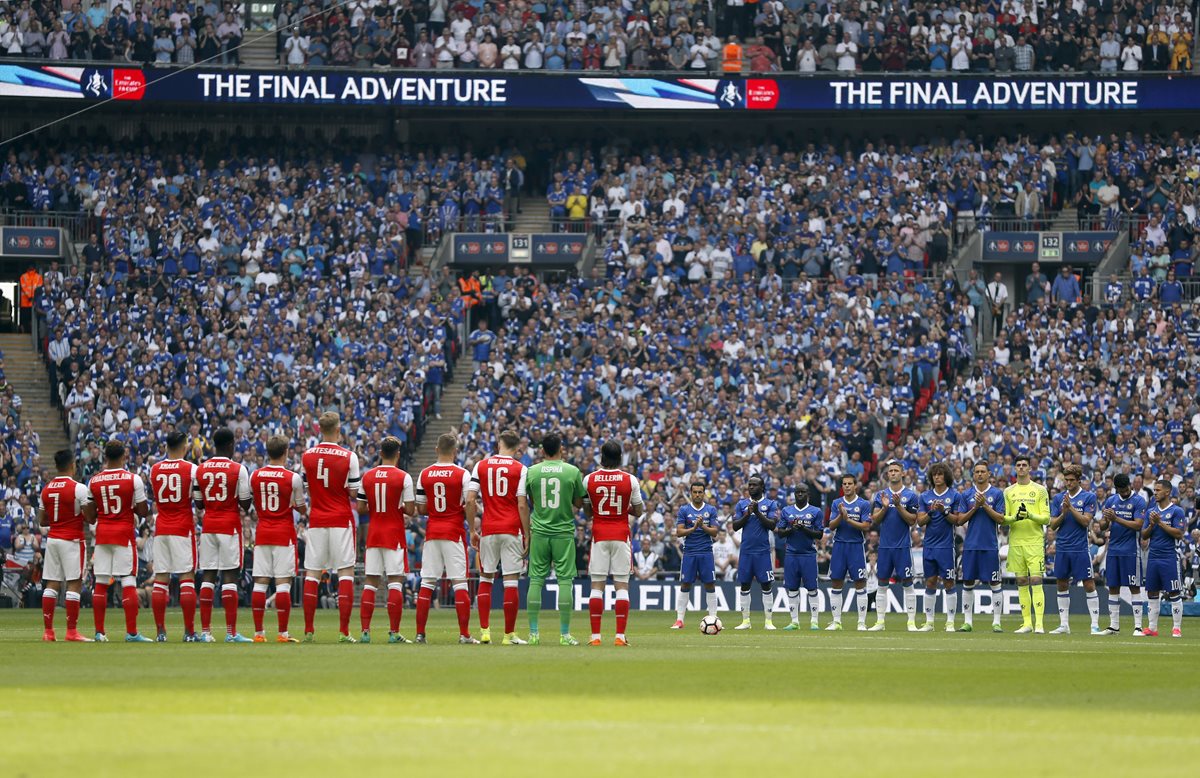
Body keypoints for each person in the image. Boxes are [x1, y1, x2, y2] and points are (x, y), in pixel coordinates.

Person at [301, 412, 362, 642]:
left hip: (317, 519)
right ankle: (344, 632)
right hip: (340, 519)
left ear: (319, 430)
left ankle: (309, 630)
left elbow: (308, 488)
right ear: (338, 430)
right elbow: (354, 493)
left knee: (312, 573)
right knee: (345, 572)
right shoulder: (349, 456)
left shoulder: (307, 456)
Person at [467, 429, 529, 645]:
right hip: (511, 529)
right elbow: (522, 504)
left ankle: (485, 631)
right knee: (511, 582)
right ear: (517, 447)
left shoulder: (481, 465)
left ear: (499, 444)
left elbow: (470, 499)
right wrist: (527, 533)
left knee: (486, 579)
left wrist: (472, 530)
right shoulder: (521, 469)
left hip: (489, 528)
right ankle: (508, 635)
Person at [525, 432, 586, 645]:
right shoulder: (572, 471)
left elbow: (531, 499)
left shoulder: (532, 471)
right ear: (561, 449)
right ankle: (565, 635)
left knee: (536, 580)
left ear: (542, 450)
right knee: (565, 581)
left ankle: (533, 634)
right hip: (563, 532)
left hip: (540, 532)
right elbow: (579, 503)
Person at [88, 441, 152, 642]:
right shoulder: (133, 479)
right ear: (124, 456)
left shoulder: (94, 480)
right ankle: (131, 633)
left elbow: (90, 515)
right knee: (128, 581)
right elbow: (143, 511)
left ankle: (99, 633)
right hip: (124, 534)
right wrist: (130, 508)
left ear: (105, 457)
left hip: (103, 535)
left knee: (100, 583)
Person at [583, 440, 644, 646]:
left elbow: (588, 511)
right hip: (621, 535)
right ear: (620, 458)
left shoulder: (589, 479)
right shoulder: (630, 480)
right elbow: (639, 510)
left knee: (596, 587)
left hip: (599, 535)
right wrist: (624, 509)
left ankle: (595, 637)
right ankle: (619, 636)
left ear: (602, 457)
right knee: (622, 587)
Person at [195, 428, 253, 643]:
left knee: (208, 576)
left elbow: (199, 503)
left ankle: (205, 632)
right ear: (231, 446)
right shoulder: (238, 469)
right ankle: (231, 633)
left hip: (209, 525)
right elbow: (245, 504)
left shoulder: (200, 469)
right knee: (230, 577)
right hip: (229, 526)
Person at [249, 435, 307, 643]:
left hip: (263, 532)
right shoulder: (293, 478)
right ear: (285, 452)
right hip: (283, 533)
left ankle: (258, 633)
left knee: (260, 583)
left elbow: (253, 500)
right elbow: (302, 508)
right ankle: (282, 633)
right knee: (283, 584)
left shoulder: (255, 475)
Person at [360, 436, 417, 643]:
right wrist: (398, 507)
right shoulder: (404, 477)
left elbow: (360, 508)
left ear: (380, 453)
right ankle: (394, 633)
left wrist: (376, 507)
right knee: (395, 583)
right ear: (398, 455)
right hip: (394, 535)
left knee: (370, 583)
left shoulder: (367, 476)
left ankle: (365, 632)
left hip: (374, 533)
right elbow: (410, 510)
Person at [38, 449, 96, 642]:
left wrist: (59, 520)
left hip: (53, 539)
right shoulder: (78, 488)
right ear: (72, 465)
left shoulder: (46, 489)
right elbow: (91, 518)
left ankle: (48, 632)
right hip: (72, 540)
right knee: (74, 583)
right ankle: (71, 631)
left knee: (52, 583)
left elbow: (42, 520)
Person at [147, 431, 198, 642]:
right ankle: (189, 632)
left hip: (161, 528)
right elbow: (198, 498)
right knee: (186, 578)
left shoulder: (155, 469)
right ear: (185, 447)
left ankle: (160, 632)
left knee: (161, 579)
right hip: (182, 528)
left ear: (166, 447)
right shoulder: (191, 469)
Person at [1048, 464, 1101, 634]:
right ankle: (1064, 625)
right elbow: (1053, 525)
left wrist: (1070, 508)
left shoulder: (1088, 497)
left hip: (1080, 548)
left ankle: (1094, 625)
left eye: (1072, 480)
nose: (1068, 483)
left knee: (1088, 584)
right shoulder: (1058, 498)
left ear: (1079, 480)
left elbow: (1086, 521)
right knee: (1062, 583)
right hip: (1062, 548)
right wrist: (1064, 513)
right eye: (1066, 480)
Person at [869, 459, 920, 631]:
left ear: (902, 473)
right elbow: (875, 519)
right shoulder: (881, 495)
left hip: (902, 546)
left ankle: (911, 622)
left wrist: (898, 506)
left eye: (896, 470)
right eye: (890, 471)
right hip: (885, 547)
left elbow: (912, 520)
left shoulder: (911, 495)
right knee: (882, 583)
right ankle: (880, 622)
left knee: (908, 583)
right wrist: (884, 508)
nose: (893, 473)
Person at [957, 461, 1007, 632]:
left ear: (988, 474)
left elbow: (1000, 518)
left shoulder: (997, 494)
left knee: (995, 582)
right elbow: (960, 520)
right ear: (973, 474)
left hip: (990, 545)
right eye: (977, 471)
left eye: (982, 471)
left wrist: (984, 505)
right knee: (968, 581)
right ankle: (968, 622)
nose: (979, 474)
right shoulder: (967, 494)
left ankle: (996, 622)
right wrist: (975, 508)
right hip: (971, 545)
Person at [1003, 455, 1050, 634]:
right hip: (1016, 542)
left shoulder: (1040, 490)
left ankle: (1039, 624)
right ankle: (1027, 623)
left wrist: (1030, 515)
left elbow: (1046, 518)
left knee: (1036, 580)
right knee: (1022, 581)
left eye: (1024, 465)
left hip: (1034, 542)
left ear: (1030, 468)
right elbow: (1004, 519)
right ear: (1015, 468)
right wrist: (1015, 518)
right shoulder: (1008, 491)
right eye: (1018, 465)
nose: (1021, 467)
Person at [1099, 473, 1146, 635]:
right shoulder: (1111, 500)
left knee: (1134, 586)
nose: (1125, 492)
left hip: (1131, 550)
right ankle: (1114, 626)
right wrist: (1105, 520)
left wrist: (1116, 518)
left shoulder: (1139, 501)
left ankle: (1138, 626)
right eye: (1121, 490)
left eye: (1126, 489)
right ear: (1116, 489)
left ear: (1130, 485)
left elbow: (1138, 525)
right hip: (1113, 550)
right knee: (1113, 586)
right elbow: (1103, 525)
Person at [916, 462, 961, 632]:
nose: (937, 477)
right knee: (930, 582)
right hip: (929, 546)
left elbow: (957, 520)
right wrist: (931, 511)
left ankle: (950, 622)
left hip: (946, 547)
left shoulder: (954, 495)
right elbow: (920, 522)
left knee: (949, 582)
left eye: (940, 474)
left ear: (946, 476)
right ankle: (929, 622)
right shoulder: (925, 496)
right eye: (934, 474)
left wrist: (944, 511)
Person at [731, 474, 779, 630]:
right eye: (749, 484)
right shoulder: (741, 504)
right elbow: (735, 526)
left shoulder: (770, 504)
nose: (751, 487)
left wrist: (757, 512)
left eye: (754, 485)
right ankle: (746, 621)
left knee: (766, 585)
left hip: (763, 552)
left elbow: (772, 525)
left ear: (762, 487)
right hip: (746, 551)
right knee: (745, 585)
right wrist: (747, 514)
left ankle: (768, 621)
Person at [671, 480, 720, 629]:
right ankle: (679, 620)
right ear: (691, 493)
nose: (697, 494)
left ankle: (714, 618)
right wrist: (693, 529)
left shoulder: (711, 509)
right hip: (689, 552)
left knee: (710, 584)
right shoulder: (684, 510)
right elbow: (679, 532)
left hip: (706, 552)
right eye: (695, 492)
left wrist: (702, 526)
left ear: (704, 493)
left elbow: (715, 532)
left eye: (700, 492)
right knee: (685, 584)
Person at [775, 484, 824, 631]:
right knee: (792, 589)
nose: (800, 495)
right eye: (797, 492)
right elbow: (780, 533)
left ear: (808, 494)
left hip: (808, 554)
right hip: (791, 554)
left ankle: (814, 621)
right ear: (794, 494)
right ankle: (794, 621)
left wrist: (804, 529)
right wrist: (792, 529)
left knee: (812, 589)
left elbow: (819, 534)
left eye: (803, 492)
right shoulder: (787, 510)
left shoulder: (816, 511)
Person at [1141, 479, 1186, 638]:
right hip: (1153, 556)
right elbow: (1144, 535)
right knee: (1152, 592)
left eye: (1158, 490)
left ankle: (1176, 628)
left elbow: (1179, 534)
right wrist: (1152, 525)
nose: (1155, 493)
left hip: (1170, 556)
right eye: (1154, 490)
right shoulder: (1151, 511)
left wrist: (1160, 523)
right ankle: (1152, 628)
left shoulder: (1176, 511)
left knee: (1174, 592)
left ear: (1167, 492)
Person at [827, 473, 872, 630]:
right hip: (839, 546)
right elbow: (831, 526)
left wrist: (848, 520)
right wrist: (841, 516)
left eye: (849, 484)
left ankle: (861, 622)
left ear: (855, 486)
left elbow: (866, 526)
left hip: (856, 546)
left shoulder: (863, 504)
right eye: (844, 484)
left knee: (860, 583)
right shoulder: (836, 503)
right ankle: (836, 622)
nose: (847, 486)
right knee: (836, 582)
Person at [986, 272, 1008, 339]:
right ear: (994, 277)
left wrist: (999, 305)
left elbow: (1005, 296)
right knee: (991, 322)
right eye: (997, 276)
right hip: (991, 306)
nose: (998, 278)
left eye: (999, 277)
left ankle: (998, 337)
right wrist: (993, 304)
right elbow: (987, 296)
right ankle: (990, 337)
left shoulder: (1003, 286)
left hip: (999, 306)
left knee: (999, 322)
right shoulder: (989, 285)